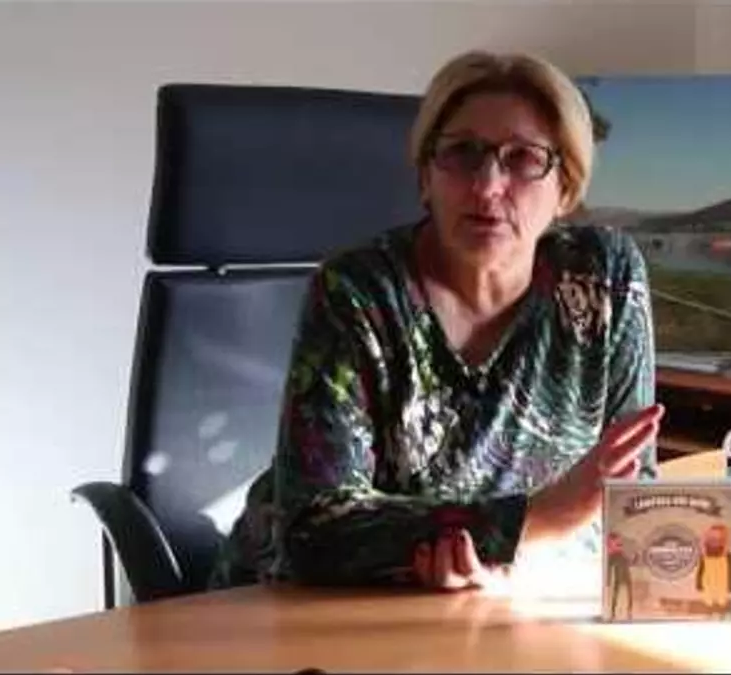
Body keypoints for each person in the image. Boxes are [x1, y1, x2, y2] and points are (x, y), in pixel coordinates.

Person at [210, 49, 664, 591]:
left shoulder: (603, 278)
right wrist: (531, 523)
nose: (487, 186)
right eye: (462, 153)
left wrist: (504, 561)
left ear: (565, 188)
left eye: (523, 158)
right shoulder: (357, 291)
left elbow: (629, 495)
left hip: (502, 599)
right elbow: (314, 529)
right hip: (292, 604)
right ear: (425, 176)